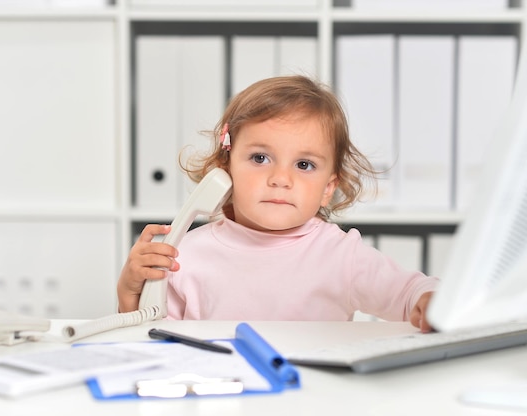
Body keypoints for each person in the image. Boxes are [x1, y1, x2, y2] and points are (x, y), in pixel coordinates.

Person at [117, 75, 437, 332]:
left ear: (328, 189)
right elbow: (150, 338)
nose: (280, 178)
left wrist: (428, 298)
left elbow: (408, 292)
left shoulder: (341, 256)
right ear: (225, 169)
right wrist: (130, 294)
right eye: (260, 158)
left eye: (304, 165)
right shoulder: (183, 255)